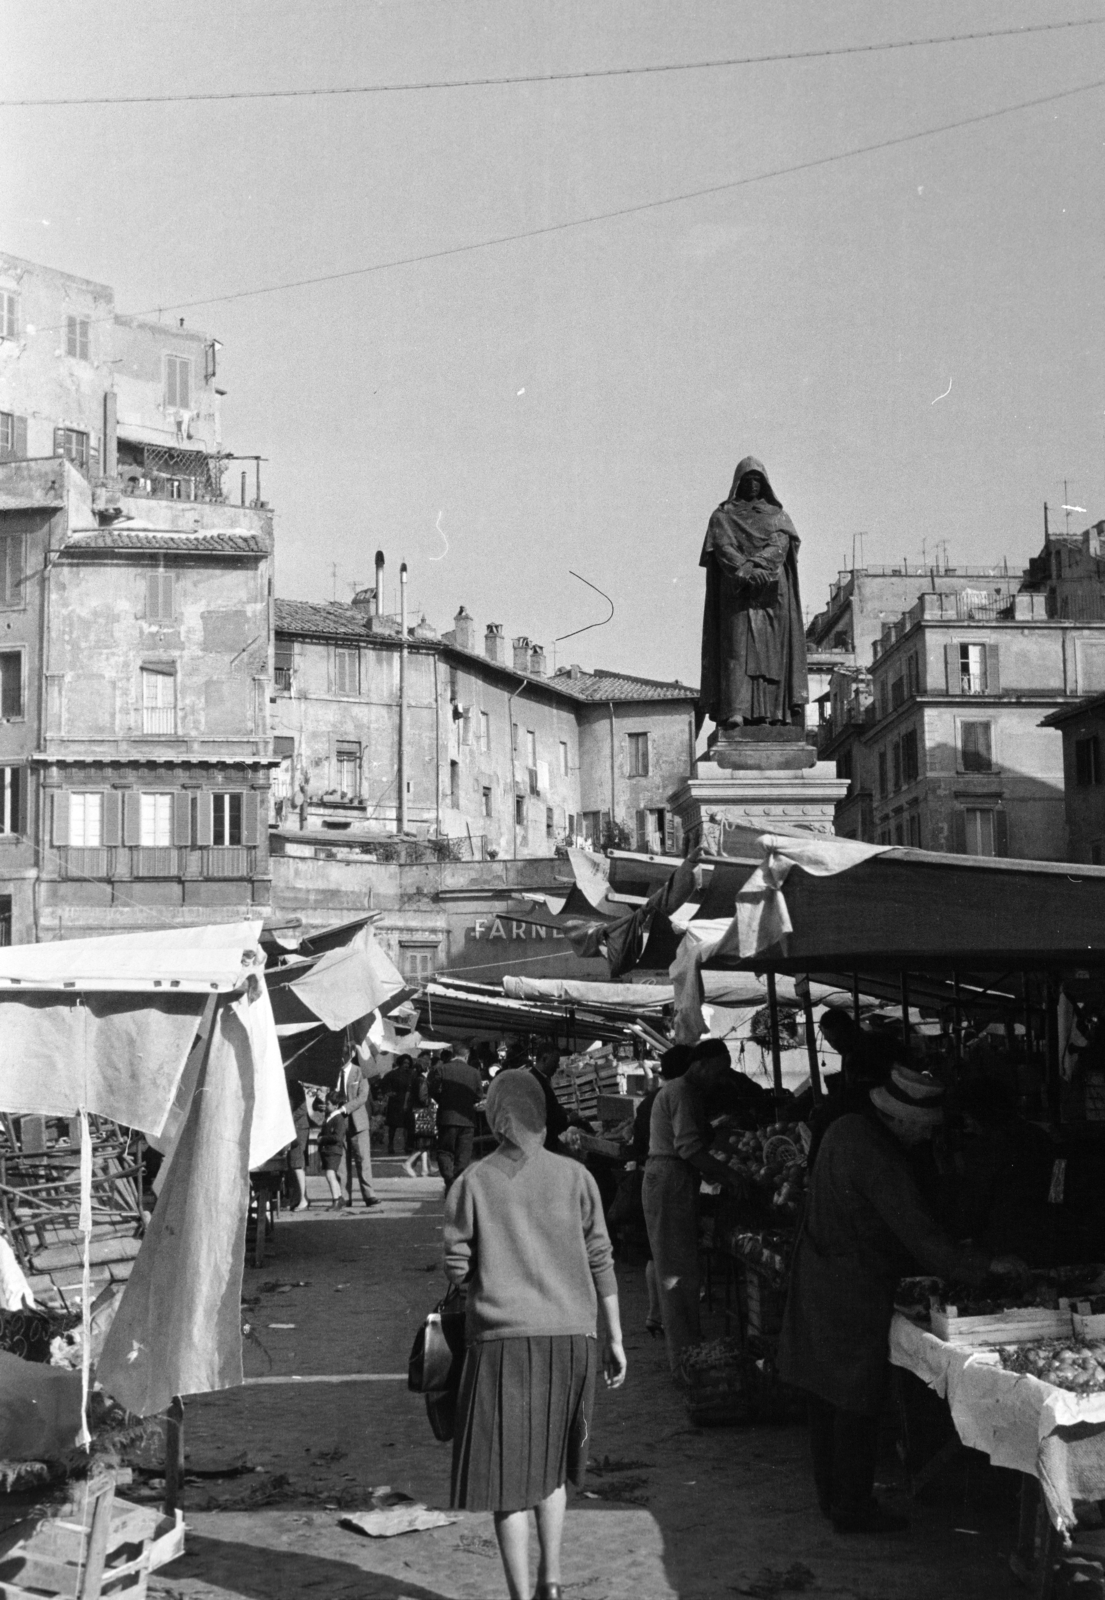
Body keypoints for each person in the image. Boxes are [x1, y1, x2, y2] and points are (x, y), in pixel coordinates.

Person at [778, 1063, 1025, 1534]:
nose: (923, 1139)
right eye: (923, 1130)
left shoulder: (845, 1128)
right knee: (854, 1397)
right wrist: (981, 1266)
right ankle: (852, 1508)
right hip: (849, 1286)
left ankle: (833, 1498)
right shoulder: (875, 1154)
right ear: (905, 1120)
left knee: (827, 1397)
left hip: (823, 1271)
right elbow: (918, 1233)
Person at [444, 1070, 626, 1600]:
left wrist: (489, 1267)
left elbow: (457, 1267)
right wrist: (614, 1337)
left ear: (495, 1115)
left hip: (499, 1346)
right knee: (550, 1469)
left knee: (508, 1480)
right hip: (572, 1341)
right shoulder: (576, 1178)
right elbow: (601, 1259)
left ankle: (522, 1595)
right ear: (542, 1113)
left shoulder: (472, 1182)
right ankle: (552, 1578)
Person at [641, 1039, 745, 1377]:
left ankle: (687, 1354)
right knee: (677, 1273)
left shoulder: (680, 1092)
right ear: (702, 1064)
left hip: (670, 1177)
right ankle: (686, 1360)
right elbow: (688, 1148)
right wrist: (727, 1174)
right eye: (718, 1070)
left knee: (679, 1268)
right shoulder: (683, 1092)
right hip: (670, 1176)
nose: (718, 1079)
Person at [699, 456, 808, 731]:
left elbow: (781, 544)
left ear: (766, 483)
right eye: (748, 479)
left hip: (772, 592)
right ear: (738, 483)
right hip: (737, 590)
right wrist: (746, 569)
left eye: (758, 480)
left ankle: (774, 713)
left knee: (772, 653)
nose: (753, 485)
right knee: (735, 649)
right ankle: (735, 710)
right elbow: (722, 547)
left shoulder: (778, 516)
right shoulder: (722, 515)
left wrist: (758, 565)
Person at [630, 1044, 693, 1338]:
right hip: (663, 1176)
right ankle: (667, 1319)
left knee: (655, 1251)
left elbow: (636, 1142)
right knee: (666, 1253)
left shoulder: (650, 1101)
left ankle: (656, 1314)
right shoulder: (677, 1095)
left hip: (650, 1175)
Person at [430, 1046, 484, 1191]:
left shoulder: (442, 1069)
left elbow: (432, 1090)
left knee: (444, 1151)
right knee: (463, 1154)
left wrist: (443, 1100)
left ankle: (449, 1179)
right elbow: (479, 1095)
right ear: (466, 1057)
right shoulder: (474, 1072)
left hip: (446, 1118)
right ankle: (457, 1183)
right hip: (467, 1119)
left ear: (453, 1055)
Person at [337, 1050, 380, 1209]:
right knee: (341, 1162)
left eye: (345, 1053)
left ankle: (369, 1195)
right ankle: (344, 1197)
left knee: (363, 1160)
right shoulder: (333, 1073)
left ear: (352, 1053)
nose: (342, 1056)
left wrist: (344, 1109)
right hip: (339, 1123)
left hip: (358, 1122)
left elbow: (362, 1097)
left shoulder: (360, 1072)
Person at [529, 1043, 570, 1153]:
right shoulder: (536, 1082)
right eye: (555, 1062)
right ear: (545, 1058)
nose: (557, 1067)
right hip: (544, 1144)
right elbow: (547, 1114)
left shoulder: (539, 1078)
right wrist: (567, 1118)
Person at [402, 1058, 436, 1179]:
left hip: (416, 1113)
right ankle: (408, 1163)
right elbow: (423, 1098)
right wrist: (431, 1101)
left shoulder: (416, 1079)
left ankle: (425, 1169)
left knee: (424, 1142)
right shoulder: (422, 1081)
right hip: (422, 1113)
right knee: (423, 1144)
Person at [315, 1091, 348, 1211]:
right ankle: (339, 1198)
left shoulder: (338, 1119)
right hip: (328, 1151)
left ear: (335, 1106)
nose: (326, 1105)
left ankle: (336, 1200)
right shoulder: (329, 1117)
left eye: (328, 1103)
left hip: (333, 1151)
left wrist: (323, 1138)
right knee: (330, 1174)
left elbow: (338, 1137)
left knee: (330, 1174)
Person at [284, 1066, 311, 1212]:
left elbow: (302, 1109)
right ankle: (299, 1198)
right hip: (295, 1127)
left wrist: (288, 1120)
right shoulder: (289, 1084)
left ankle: (303, 1200)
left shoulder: (294, 1085)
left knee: (296, 1162)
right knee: (294, 1163)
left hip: (298, 1128)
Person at [380, 1054, 417, 1154]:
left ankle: (407, 1145)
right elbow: (383, 1083)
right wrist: (388, 1092)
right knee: (393, 1126)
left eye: (408, 1063)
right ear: (400, 1063)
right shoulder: (393, 1074)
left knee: (407, 1126)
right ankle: (390, 1144)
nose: (406, 1065)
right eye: (405, 1063)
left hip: (407, 1101)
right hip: (395, 1102)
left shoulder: (411, 1074)